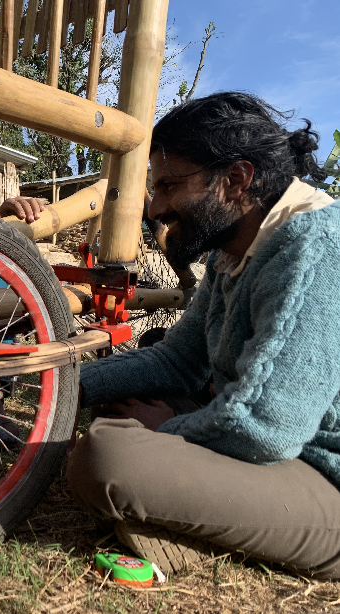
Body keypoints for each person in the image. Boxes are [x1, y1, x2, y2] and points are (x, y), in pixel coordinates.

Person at [66, 92, 340, 578]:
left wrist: (161, 431)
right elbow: (178, 360)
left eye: (170, 185)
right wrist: (64, 386)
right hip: (281, 444)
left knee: (106, 459)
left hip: (323, 474)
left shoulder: (313, 250)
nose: (156, 207)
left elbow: (266, 427)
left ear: (235, 180)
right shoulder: (232, 249)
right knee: (121, 404)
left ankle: (195, 526)